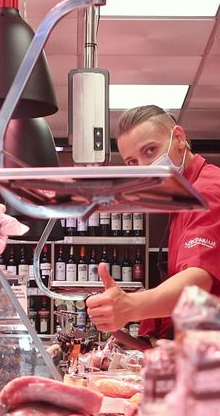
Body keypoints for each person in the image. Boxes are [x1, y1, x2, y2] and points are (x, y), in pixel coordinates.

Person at [86, 105, 220, 347]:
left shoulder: (207, 191)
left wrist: (130, 308)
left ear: (178, 138)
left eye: (150, 150)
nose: (145, 165)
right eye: (132, 161)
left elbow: (198, 282)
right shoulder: (181, 199)